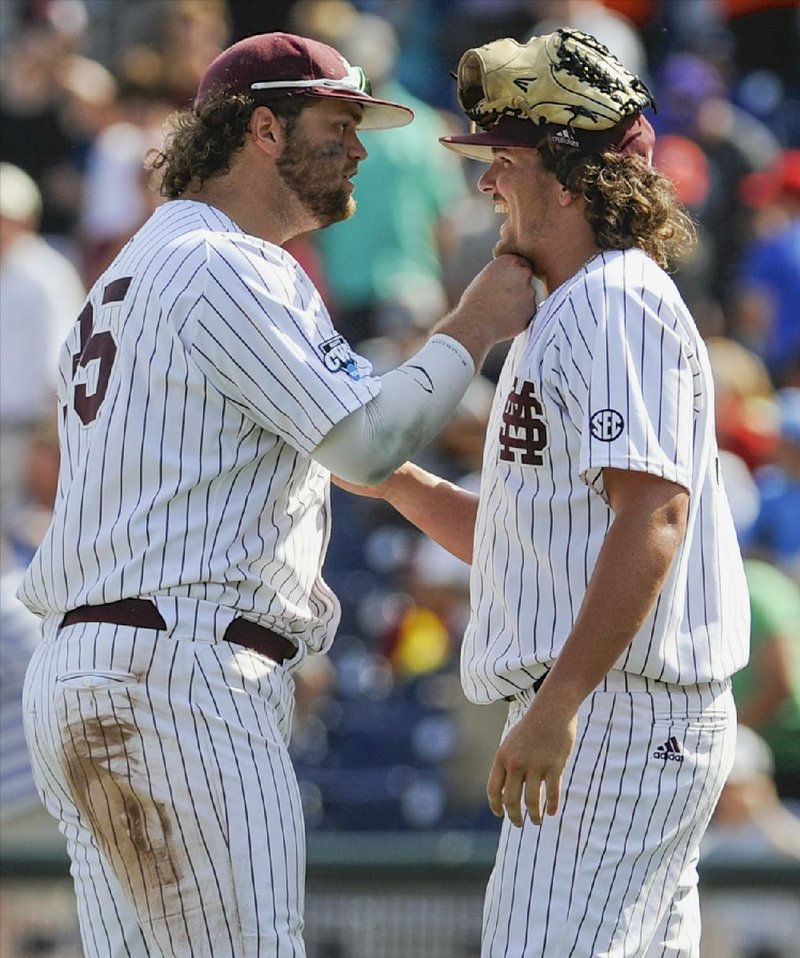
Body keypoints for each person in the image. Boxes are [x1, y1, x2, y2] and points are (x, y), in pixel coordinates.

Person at [17, 31, 536, 958]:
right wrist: (477, 323)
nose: (361, 149)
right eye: (339, 122)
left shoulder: (132, 270)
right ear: (262, 127)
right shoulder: (231, 263)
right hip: (178, 673)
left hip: (101, 661)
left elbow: (339, 456)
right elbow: (367, 446)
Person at [337, 28, 750, 956]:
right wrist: (399, 483)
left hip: (615, 710)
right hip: (622, 708)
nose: (486, 182)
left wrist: (558, 706)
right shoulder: (570, 305)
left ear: (569, 176)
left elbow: (656, 515)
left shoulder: (613, 299)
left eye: (506, 160)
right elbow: (535, 543)